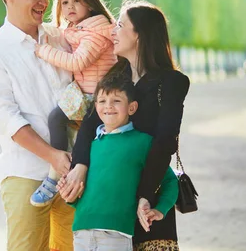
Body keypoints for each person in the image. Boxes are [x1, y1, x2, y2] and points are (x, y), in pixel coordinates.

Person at [59, 0, 191, 251]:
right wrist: (80, 167)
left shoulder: (172, 82)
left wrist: (143, 195)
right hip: (110, 195)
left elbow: (165, 143)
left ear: (139, 34)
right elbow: (89, 126)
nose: (112, 31)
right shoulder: (114, 77)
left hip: (149, 190)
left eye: (120, 25)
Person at [0, 0, 74, 251]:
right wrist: (53, 156)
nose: (44, 3)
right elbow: (7, 119)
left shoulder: (61, 38)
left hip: (73, 174)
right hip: (25, 173)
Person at [30, 0, 117, 207]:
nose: (69, 7)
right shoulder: (77, 29)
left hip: (97, 98)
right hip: (83, 94)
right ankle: (61, 173)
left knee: (78, 134)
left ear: (89, 2)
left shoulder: (97, 33)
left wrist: (43, 51)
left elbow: (77, 62)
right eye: (64, 2)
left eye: (76, 1)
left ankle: (57, 178)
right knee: (57, 118)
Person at [71, 73, 179, 251]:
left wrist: (161, 210)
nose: (108, 106)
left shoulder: (142, 142)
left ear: (132, 108)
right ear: (95, 106)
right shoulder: (91, 146)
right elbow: (88, 196)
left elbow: (169, 180)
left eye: (116, 101)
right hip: (81, 231)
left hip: (116, 235)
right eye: (102, 101)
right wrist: (70, 196)